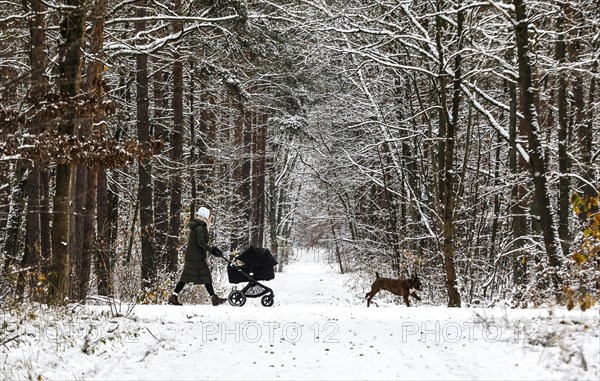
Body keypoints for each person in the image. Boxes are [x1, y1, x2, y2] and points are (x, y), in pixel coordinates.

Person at [168, 206, 227, 306]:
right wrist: (211, 250)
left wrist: (211, 249)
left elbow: (201, 242)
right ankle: (214, 298)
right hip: (196, 258)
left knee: (186, 278)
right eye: (209, 215)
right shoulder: (200, 228)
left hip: (194, 257)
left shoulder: (199, 226)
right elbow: (201, 242)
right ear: (205, 215)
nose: (209, 217)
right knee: (205, 276)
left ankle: (173, 297)